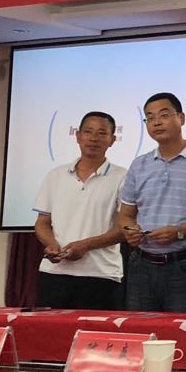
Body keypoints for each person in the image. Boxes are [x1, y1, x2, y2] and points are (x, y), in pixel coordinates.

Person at [116, 92, 186, 312]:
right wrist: (130, 230)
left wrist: (180, 232)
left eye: (164, 115)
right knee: (139, 328)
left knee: (183, 328)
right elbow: (126, 214)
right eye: (150, 117)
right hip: (141, 264)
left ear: (181, 118)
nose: (156, 122)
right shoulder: (139, 165)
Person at [33, 111, 126, 309]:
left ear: (112, 140)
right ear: (77, 136)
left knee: (95, 329)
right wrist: (52, 245)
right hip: (54, 273)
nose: (94, 138)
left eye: (102, 133)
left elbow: (123, 229)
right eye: (88, 131)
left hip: (101, 274)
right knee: (50, 328)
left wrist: (85, 245)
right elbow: (42, 223)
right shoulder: (56, 175)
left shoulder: (123, 177)